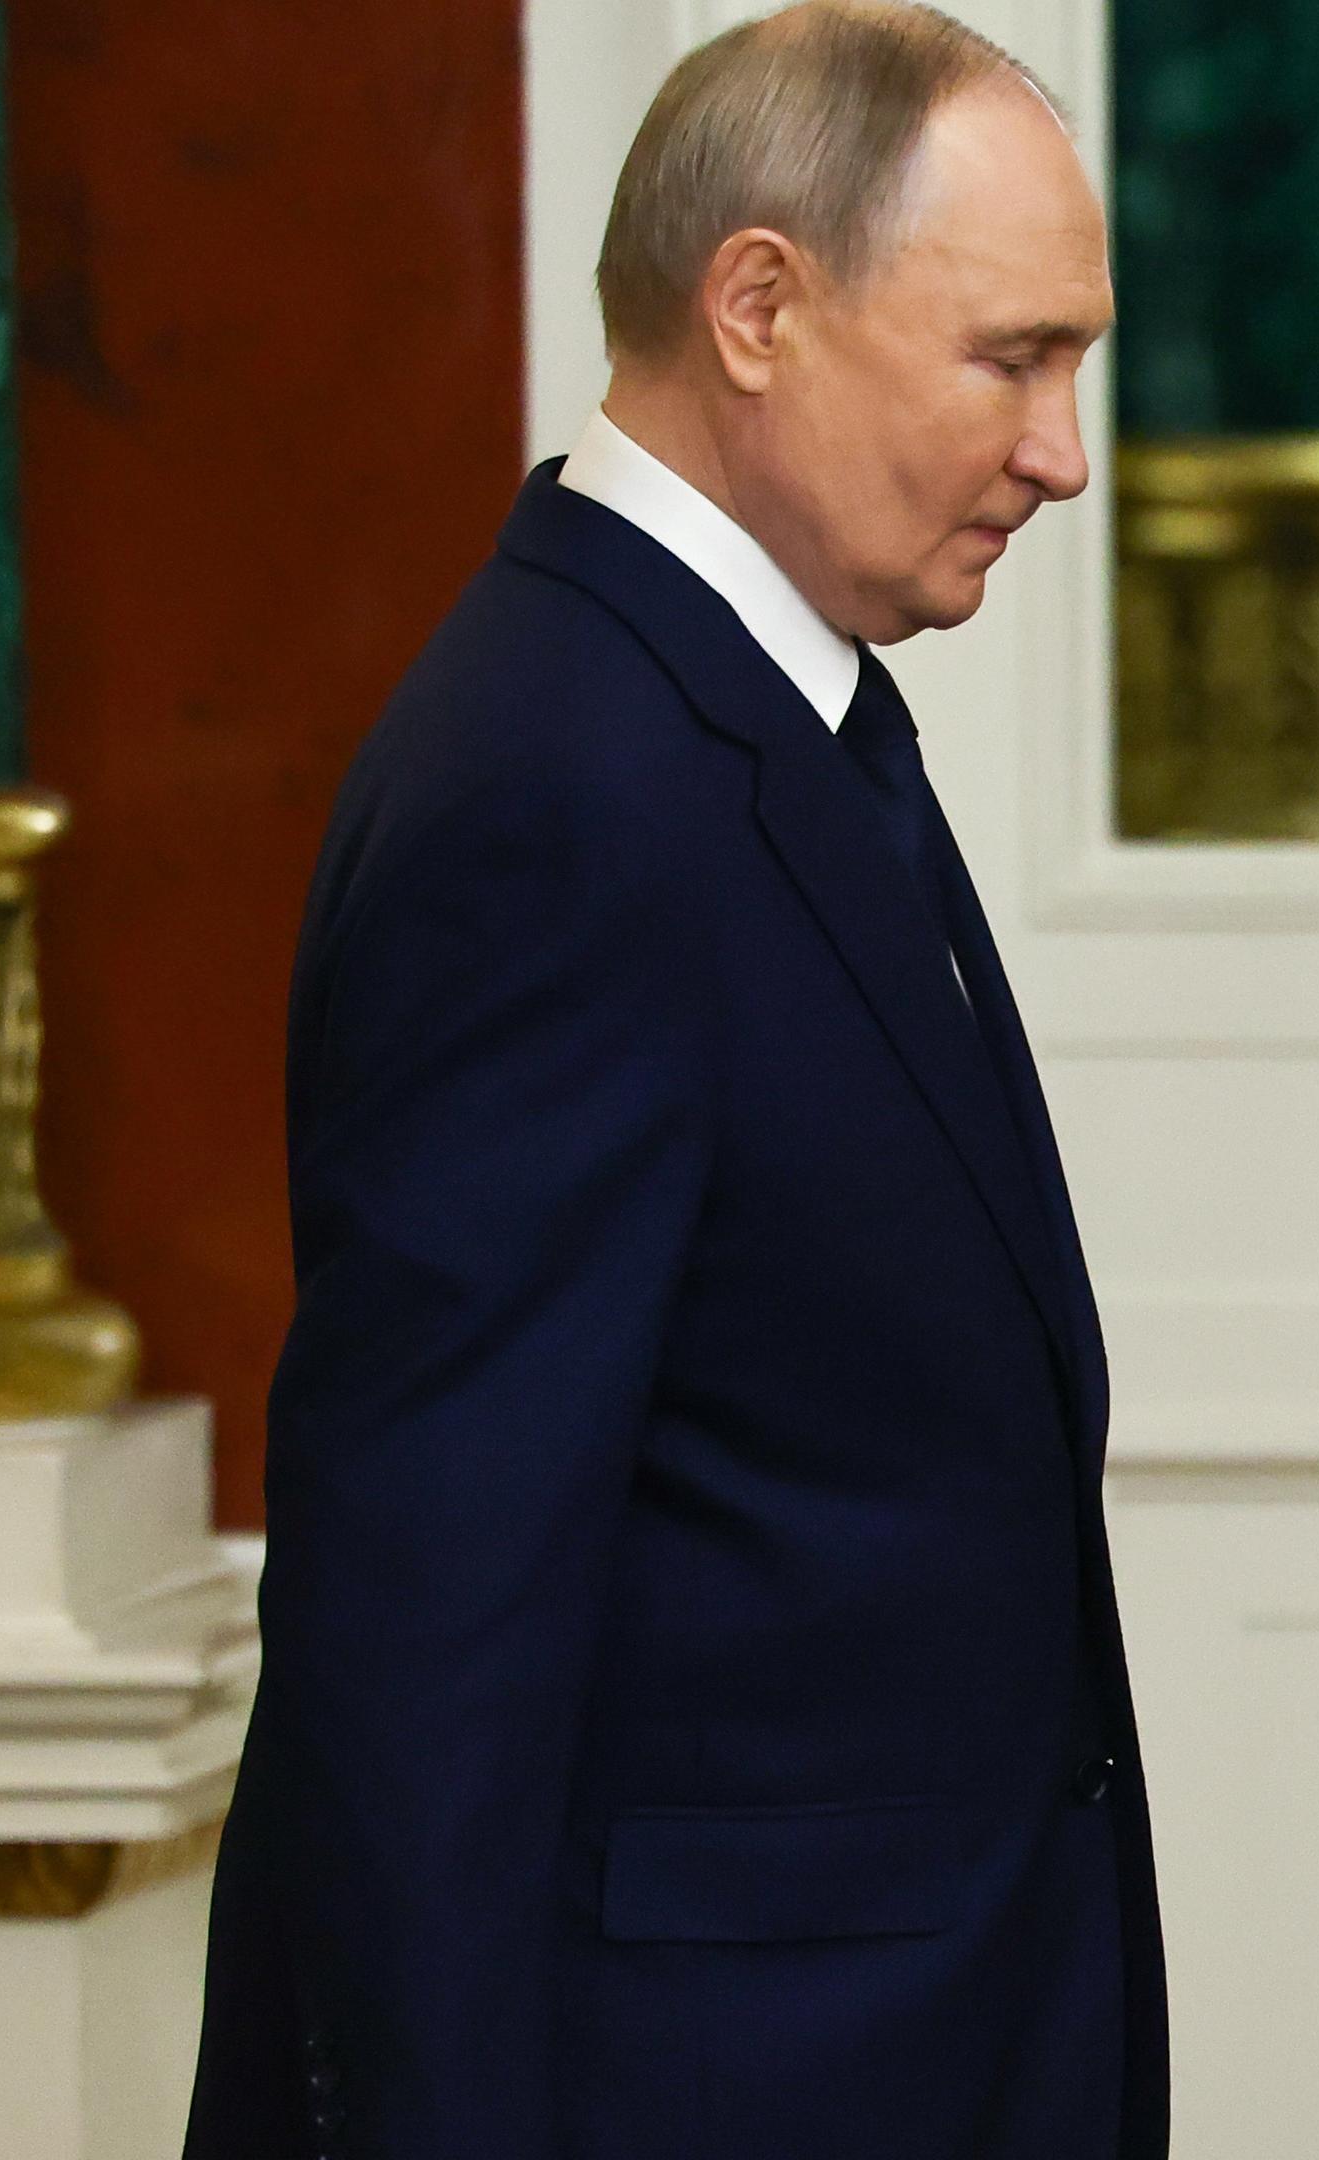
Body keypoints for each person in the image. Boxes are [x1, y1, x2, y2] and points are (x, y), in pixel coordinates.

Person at [183, 9, 1160, 2155]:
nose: (1065, 453)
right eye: (1015, 357)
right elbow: (423, 1627)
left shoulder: (763, 706)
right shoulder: (562, 781)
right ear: (756, 306)